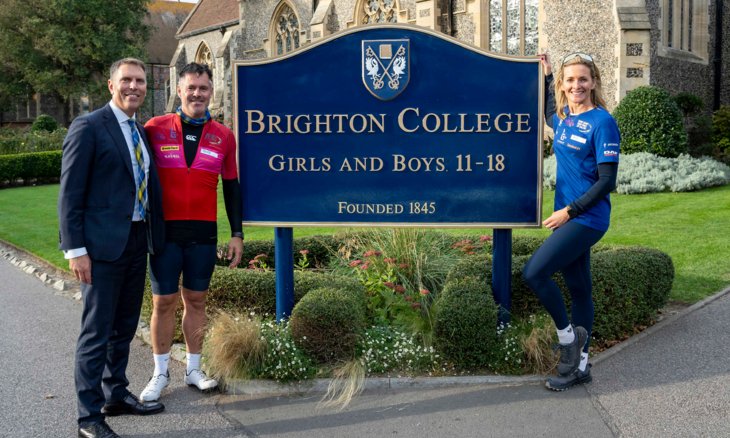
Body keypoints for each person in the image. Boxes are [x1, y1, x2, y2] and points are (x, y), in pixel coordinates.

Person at [58, 57, 166, 438]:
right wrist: (75, 250)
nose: (134, 86)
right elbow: (70, 195)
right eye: (127, 80)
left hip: (137, 241)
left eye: (139, 81)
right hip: (101, 248)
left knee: (123, 327)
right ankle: (88, 417)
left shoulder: (141, 133)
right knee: (96, 332)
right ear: (111, 85)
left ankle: (115, 395)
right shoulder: (88, 127)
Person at [139, 62, 244, 402]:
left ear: (210, 91)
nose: (197, 93)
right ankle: (159, 373)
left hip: (202, 233)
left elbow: (231, 187)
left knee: (196, 301)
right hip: (165, 233)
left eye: (203, 88)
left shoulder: (224, 136)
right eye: (191, 87)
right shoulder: (154, 128)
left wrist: (237, 234)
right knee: (164, 302)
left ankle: (194, 369)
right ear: (179, 90)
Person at [523, 52, 620, 391]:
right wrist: (549, 77)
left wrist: (570, 211)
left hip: (587, 218)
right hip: (571, 218)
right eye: (570, 80)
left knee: (534, 272)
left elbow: (607, 181)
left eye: (582, 79)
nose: (576, 85)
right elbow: (549, 113)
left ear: (593, 82)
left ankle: (567, 340)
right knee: (580, 289)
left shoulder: (602, 122)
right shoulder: (563, 119)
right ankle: (580, 366)